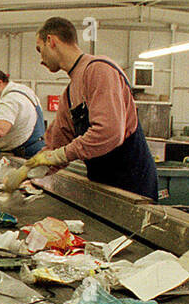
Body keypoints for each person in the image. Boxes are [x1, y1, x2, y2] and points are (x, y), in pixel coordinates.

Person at [24, 17, 161, 200]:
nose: (41, 60)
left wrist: (61, 155)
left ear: (51, 41)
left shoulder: (99, 70)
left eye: (40, 50)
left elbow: (109, 132)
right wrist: (27, 172)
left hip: (132, 186)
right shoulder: (70, 94)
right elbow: (57, 146)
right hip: (102, 183)